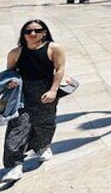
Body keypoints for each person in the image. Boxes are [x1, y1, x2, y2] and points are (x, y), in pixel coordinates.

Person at [2, 20, 67, 183]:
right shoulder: (16, 52)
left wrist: (53, 90)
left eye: (37, 31)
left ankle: (43, 147)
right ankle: (15, 166)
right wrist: (11, 82)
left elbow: (59, 69)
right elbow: (9, 73)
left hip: (45, 90)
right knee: (17, 128)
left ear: (44, 32)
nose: (32, 34)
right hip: (23, 95)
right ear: (23, 34)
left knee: (45, 123)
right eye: (28, 31)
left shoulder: (54, 48)